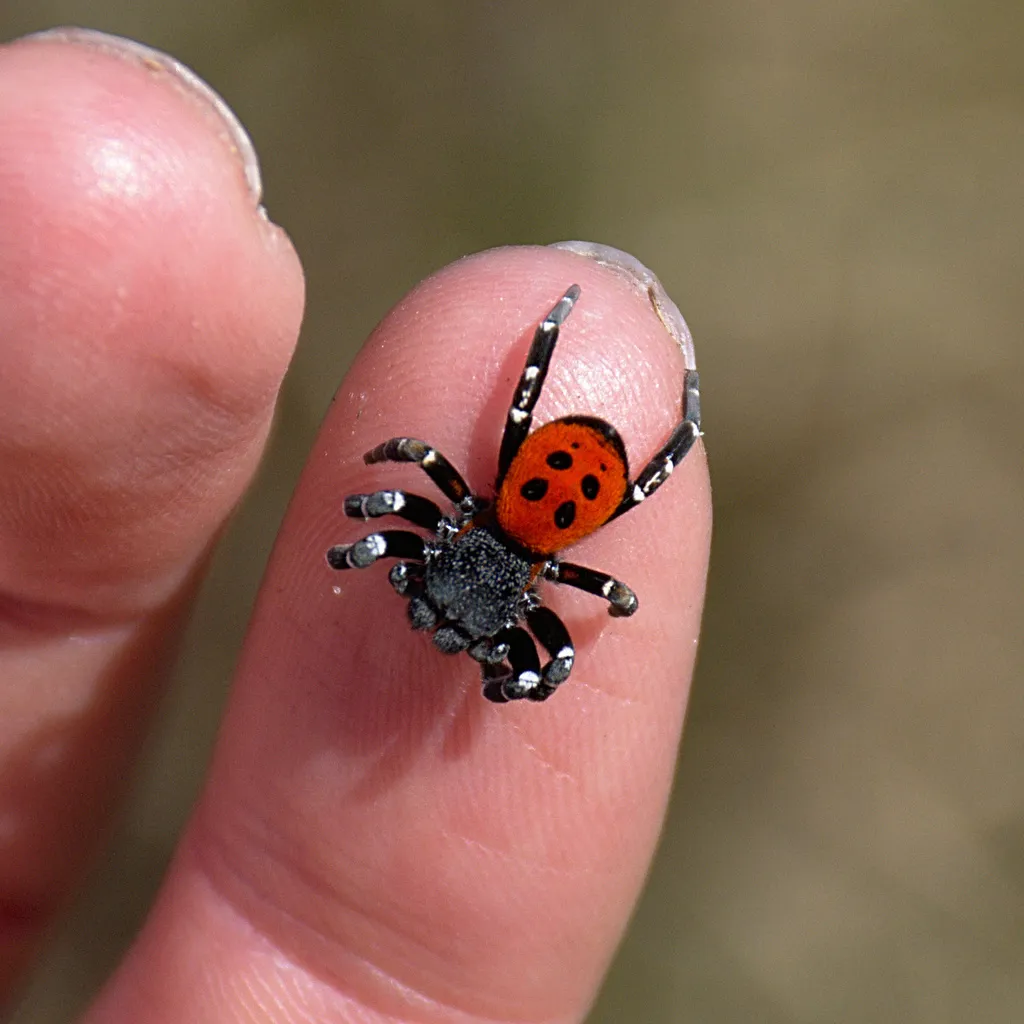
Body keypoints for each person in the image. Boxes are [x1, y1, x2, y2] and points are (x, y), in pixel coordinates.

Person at [0, 28, 711, 1023]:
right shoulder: (505, 548)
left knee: (574, 459)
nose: (440, 625)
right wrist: (370, 540)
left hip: (539, 496)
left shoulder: (467, 523)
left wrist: (509, 657)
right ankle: (614, 368)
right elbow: (403, 494)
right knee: (548, 449)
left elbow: (521, 605)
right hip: (539, 505)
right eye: (462, 622)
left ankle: (654, 399)